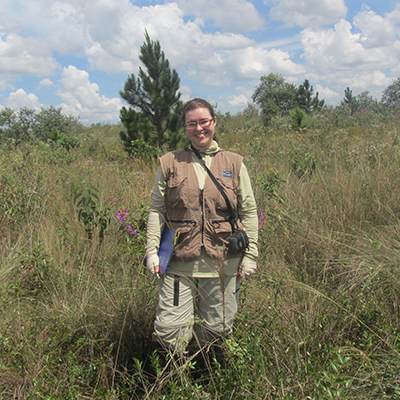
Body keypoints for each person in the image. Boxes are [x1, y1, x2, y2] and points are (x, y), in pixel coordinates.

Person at [146, 98, 258, 358]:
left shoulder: (234, 163)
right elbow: (156, 209)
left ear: (214, 122)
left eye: (204, 122)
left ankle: (206, 378)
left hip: (223, 262)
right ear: (185, 127)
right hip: (178, 262)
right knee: (168, 331)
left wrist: (251, 255)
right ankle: (173, 381)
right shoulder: (169, 162)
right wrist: (152, 251)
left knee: (216, 331)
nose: (199, 129)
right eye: (192, 123)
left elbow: (249, 212)